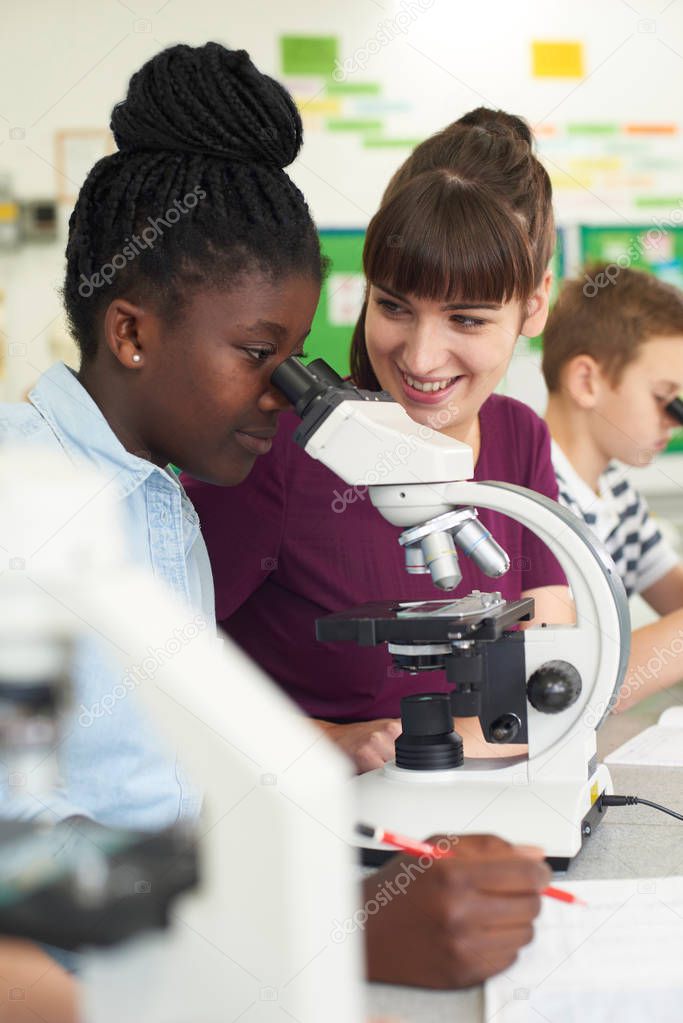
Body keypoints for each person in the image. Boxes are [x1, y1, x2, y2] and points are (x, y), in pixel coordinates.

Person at [0, 46, 549, 1004]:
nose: (289, 397)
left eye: (298, 357)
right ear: (130, 332)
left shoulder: (157, 499)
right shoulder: (27, 497)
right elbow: (23, 860)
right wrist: (338, 937)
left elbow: (164, 807)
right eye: (262, 354)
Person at [184, 108, 574, 772]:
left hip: (472, 814)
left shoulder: (519, 436)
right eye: (393, 306)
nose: (421, 358)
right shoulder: (275, 446)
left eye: (466, 318)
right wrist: (323, 740)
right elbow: (148, 662)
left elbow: (544, 672)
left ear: (533, 305)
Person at [543, 264, 683, 710]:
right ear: (587, 382)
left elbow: (675, 597)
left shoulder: (613, 491)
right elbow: (573, 685)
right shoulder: (537, 497)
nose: (674, 422)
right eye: (667, 399)